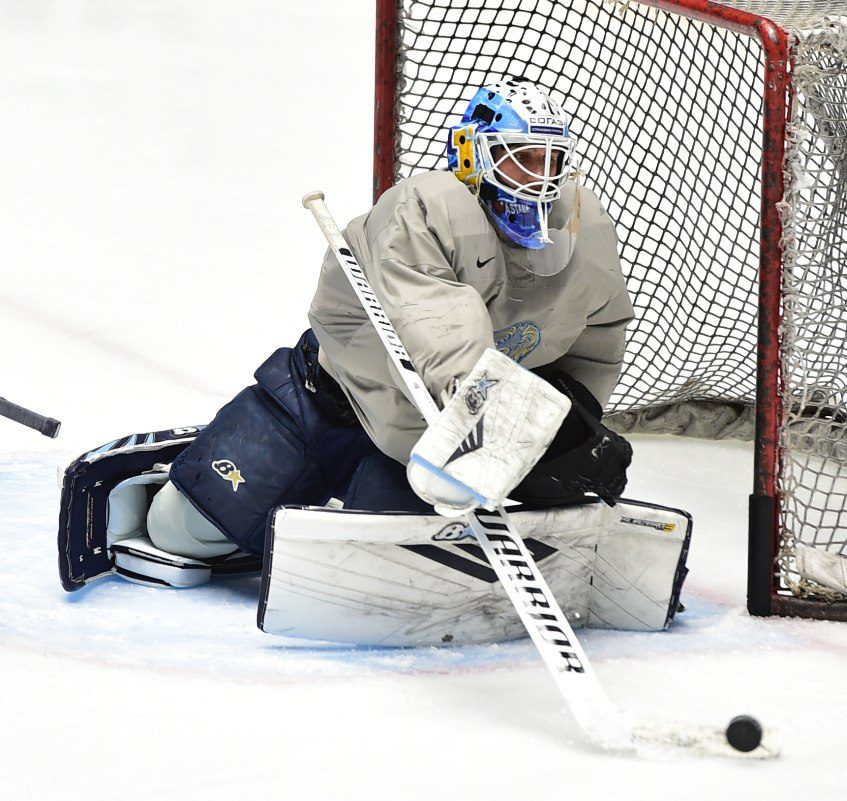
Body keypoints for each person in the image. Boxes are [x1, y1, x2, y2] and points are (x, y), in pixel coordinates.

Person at [145, 77, 635, 559]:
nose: (539, 176)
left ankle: (337, 509)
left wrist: (577, 423)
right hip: (330, 404)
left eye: (550, 159)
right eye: (521, 157)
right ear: (473, 155)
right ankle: (193, 474)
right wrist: (527, 437)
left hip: (428, 439)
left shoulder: (580, 225)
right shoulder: (426, 208)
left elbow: (598, 335)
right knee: (182, 531)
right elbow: (445, 338)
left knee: (396, 565)